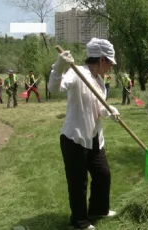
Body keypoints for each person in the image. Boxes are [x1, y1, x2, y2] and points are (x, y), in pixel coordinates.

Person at [48, 37, 120, 230]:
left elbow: (97, 108)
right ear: (102, 60)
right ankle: (80, 221)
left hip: (95, 137)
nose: (111, 67)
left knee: (103, 175)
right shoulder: (76, 73)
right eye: (110, 63)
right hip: (75, 138)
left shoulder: (99, 81)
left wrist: (109, 110)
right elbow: (54, 89)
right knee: (78, 183)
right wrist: (59, 66)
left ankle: (98, 209)